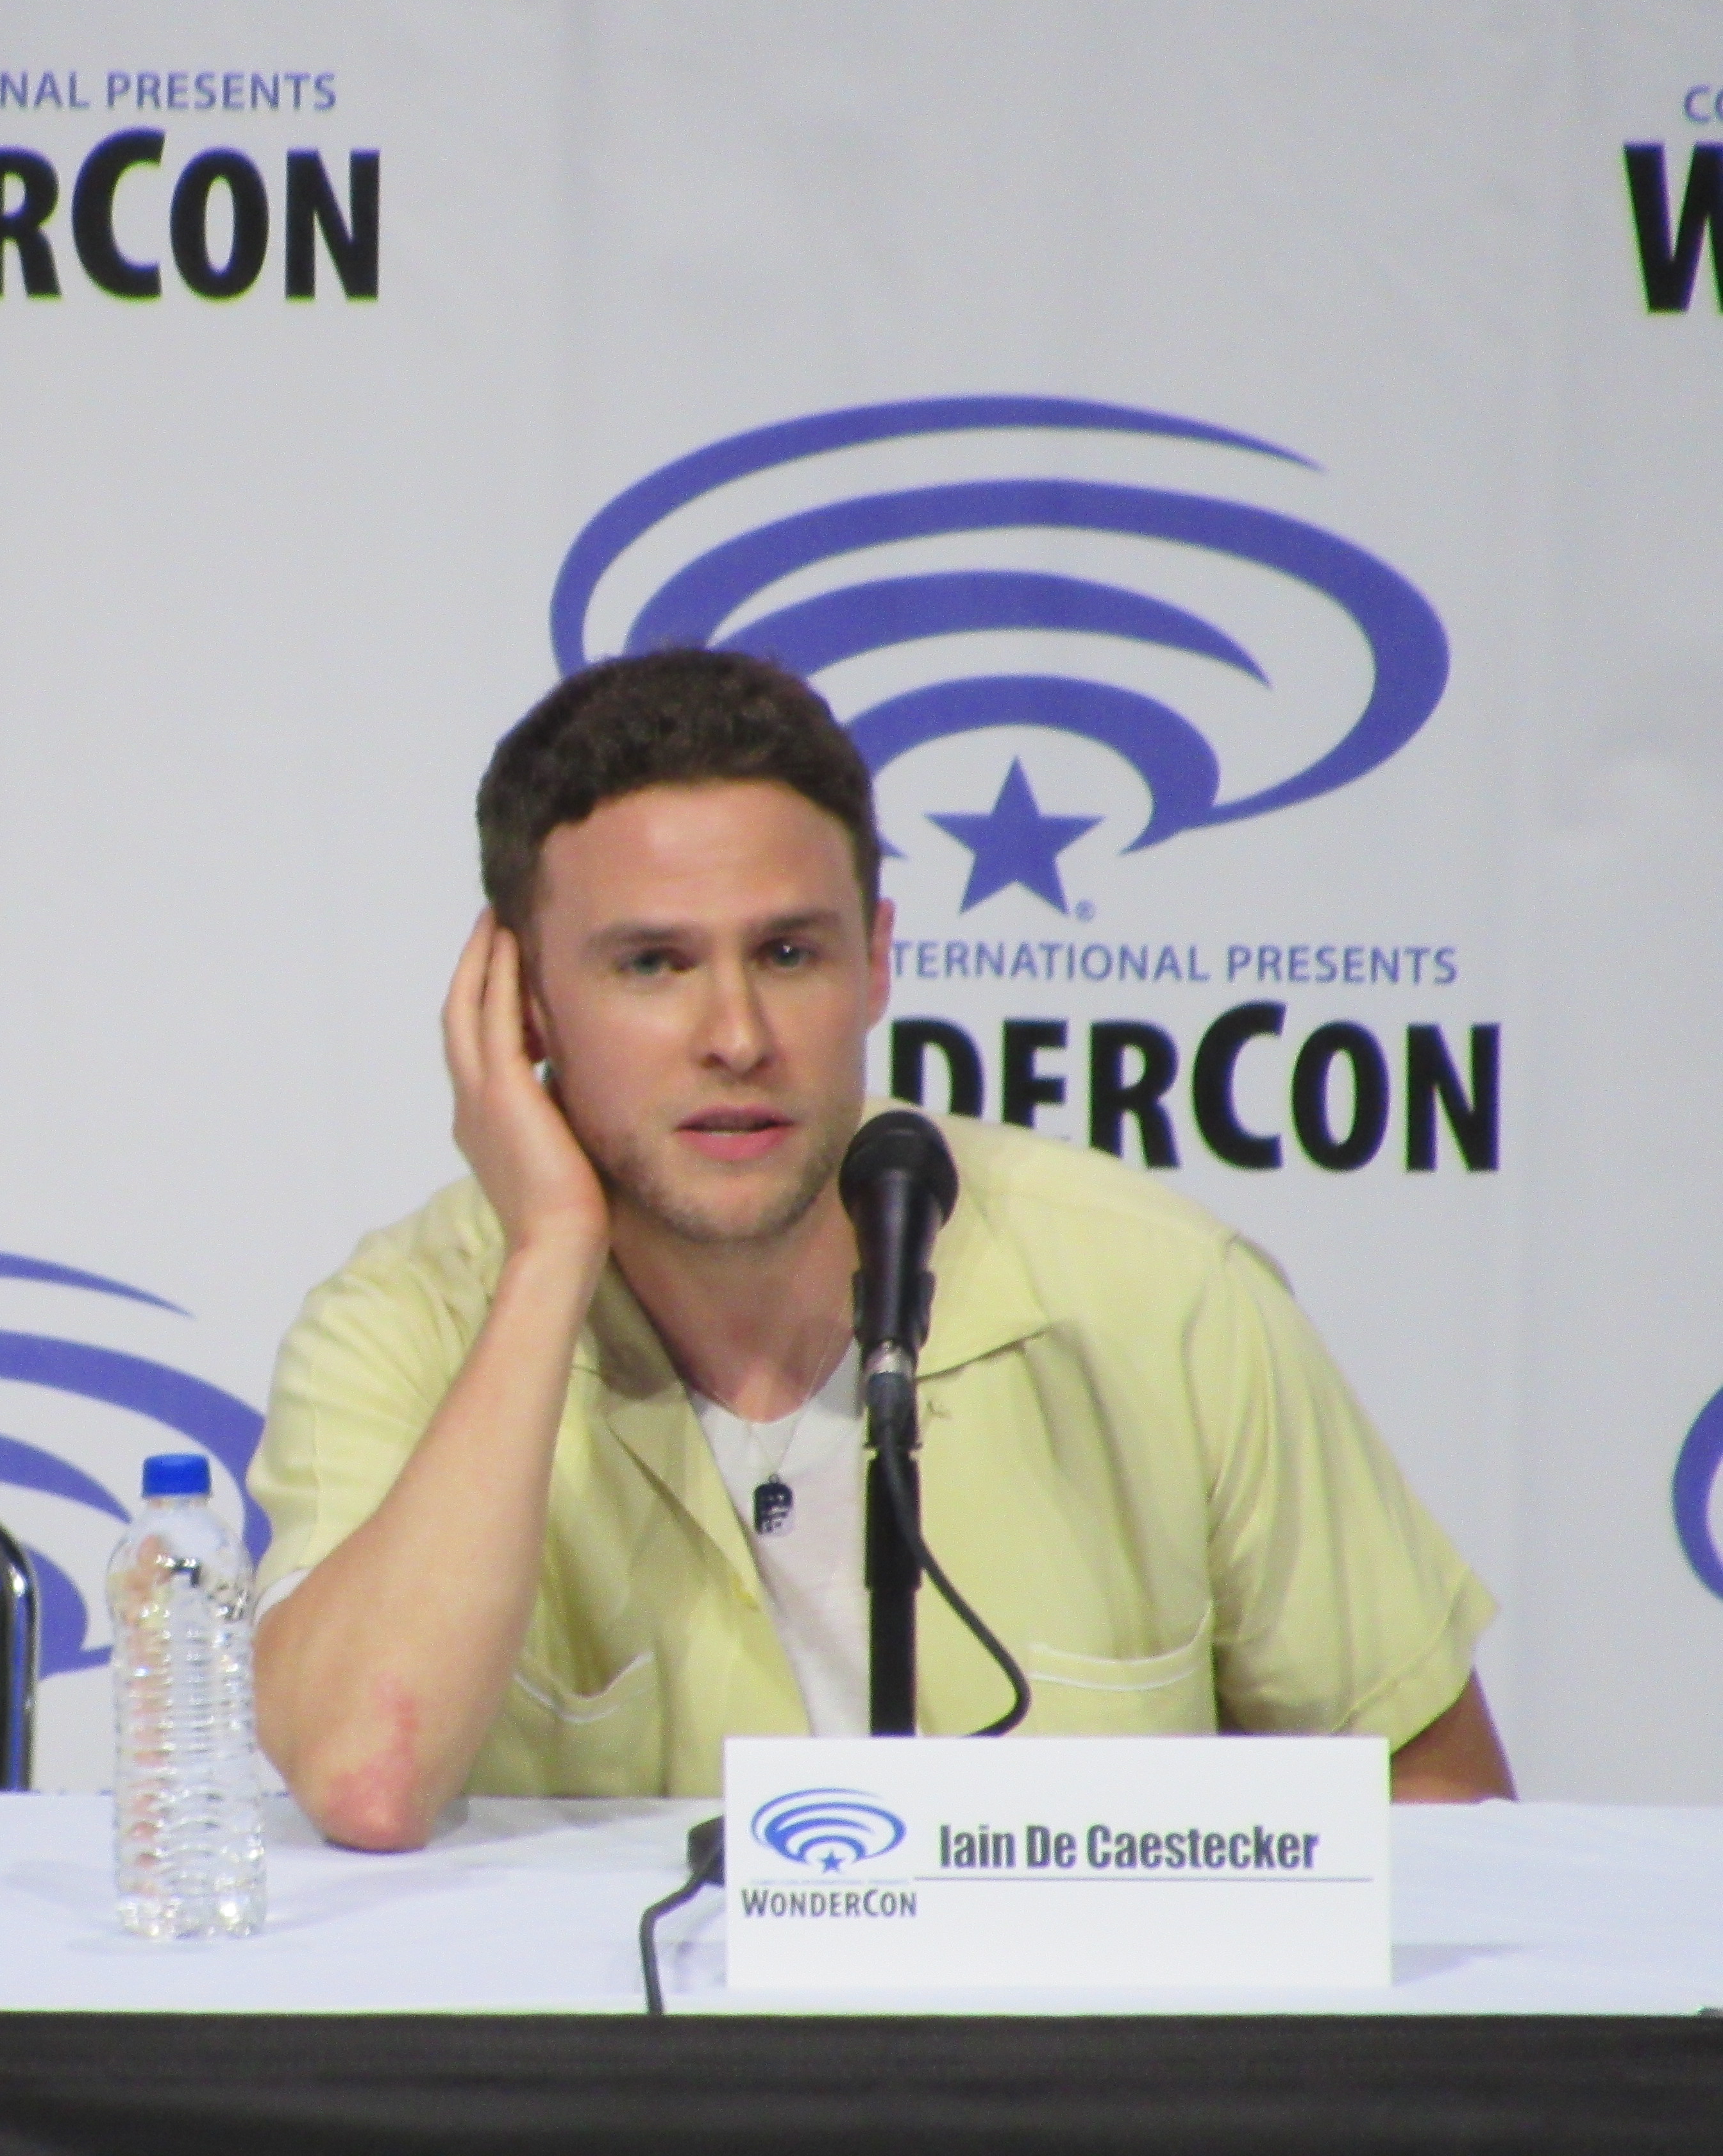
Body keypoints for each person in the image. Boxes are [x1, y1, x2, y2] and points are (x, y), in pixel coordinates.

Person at [249, 647, 1511, 1849]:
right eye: (653, 964)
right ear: (519, 1002)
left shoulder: (1164, 1298)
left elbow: (1441, 1798)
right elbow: (368, 1781)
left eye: (789, 954)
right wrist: (550, 1256)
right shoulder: (405, 1328)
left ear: (876, 966)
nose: (737, 1036)